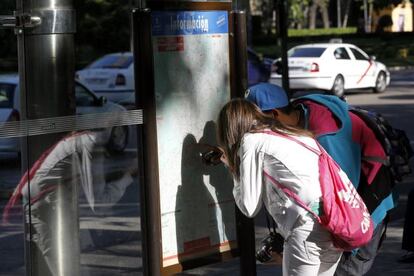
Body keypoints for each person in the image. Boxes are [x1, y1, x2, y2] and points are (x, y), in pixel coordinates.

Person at [246, 83, 395, 276]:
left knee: (344, 271)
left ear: (274, 114)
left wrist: (343, 246)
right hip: (339, 212)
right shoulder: (300, 114)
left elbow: (342, 201)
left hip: (363, 211)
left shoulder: (326, 137)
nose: (254, 130)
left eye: (256, 123)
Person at [217, 98, 343, 276]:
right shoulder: (292, 133)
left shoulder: (251, 140)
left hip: (306, 228)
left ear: (230, 129)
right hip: (334, 223)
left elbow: (249, 207)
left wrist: (235, 172)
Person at [2, 130, 137, 275]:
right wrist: (128, 175)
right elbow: (98, 204)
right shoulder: (92, 144)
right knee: (65, 266)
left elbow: (86, 180)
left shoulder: (79, 140)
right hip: (46, 203)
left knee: (59, 263)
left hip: (38, 201)